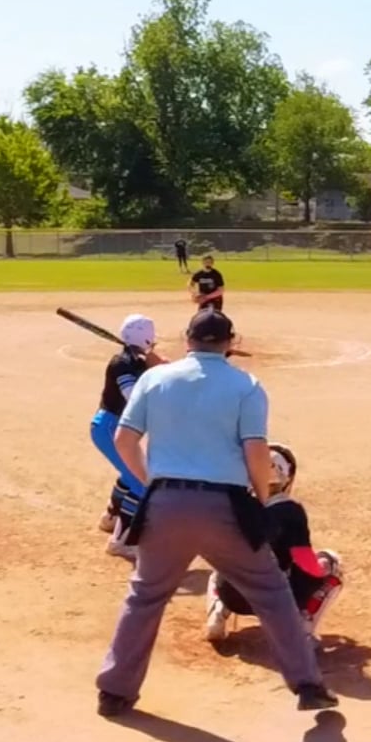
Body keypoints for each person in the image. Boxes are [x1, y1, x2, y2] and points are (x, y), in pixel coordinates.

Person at [95, 307, 337, 717]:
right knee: (271, 592)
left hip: (165, 504)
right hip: (225, 505)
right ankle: (308, 685)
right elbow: (256, 449)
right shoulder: (247, 385)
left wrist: (151, 482)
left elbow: (123, 439)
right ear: (231, 343)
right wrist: (261, 497)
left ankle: (114, 692)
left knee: (145, 596)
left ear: (187, 339)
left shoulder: (154, 379)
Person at [204, 443, 345, 646]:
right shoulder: (291, 511)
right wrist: (321, 569)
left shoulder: (236, 503)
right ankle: (302, 631)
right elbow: (305, 563)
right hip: (275, 601)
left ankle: (217, 613)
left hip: (232, 596)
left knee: (221, 568)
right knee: (332, 563)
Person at [92, 314, 165, 560]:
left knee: (130, 474)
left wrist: (158, 367)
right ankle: (120, 542)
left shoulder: (135, 361)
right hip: (110, 428)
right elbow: (133, 398)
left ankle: (111, 518)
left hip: (114, 428)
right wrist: (156, 370)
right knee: (141, 483)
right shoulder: (122, 363)